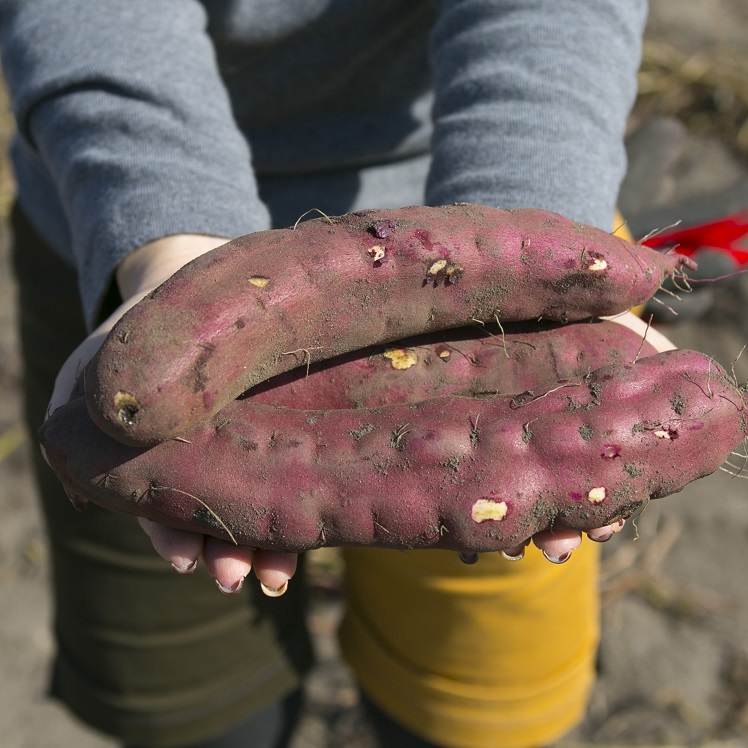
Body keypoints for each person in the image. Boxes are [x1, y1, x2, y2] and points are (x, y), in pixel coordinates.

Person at [0, 2, 664, 746]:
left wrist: (512, 254)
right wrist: (170, 254)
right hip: (126, 238)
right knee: (195, 708)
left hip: (515, 246)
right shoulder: (140, 339)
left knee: (473, 709)